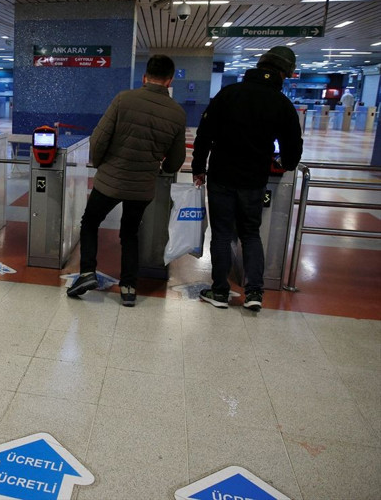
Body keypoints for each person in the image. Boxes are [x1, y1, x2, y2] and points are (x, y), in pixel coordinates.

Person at [66, 55, 186, 307]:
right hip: (142, 185)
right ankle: (129, 286)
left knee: (90, 222)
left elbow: (99, 138)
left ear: (145, 77)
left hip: (110, 179)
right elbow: (175, 160)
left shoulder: (124, 99)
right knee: (130, 233)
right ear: (169, 80)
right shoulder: (176, 112)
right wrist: (160, 167)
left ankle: (87, 273)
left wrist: (99, 163)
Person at [192, 46, 303, 312]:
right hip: (254, 180)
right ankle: (254, 292)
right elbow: (293, 148)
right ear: (282, 74)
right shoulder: (281, 103)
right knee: (251, 234)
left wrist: (199, 168)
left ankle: (219, 291)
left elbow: (204, 134)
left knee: (220, 234)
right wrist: (283, 163)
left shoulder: (229, 94)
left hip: (221, 176)